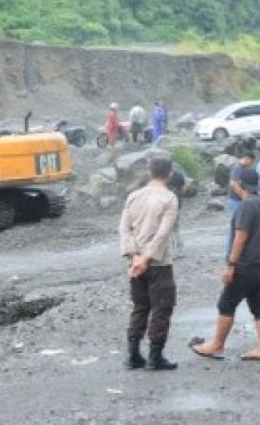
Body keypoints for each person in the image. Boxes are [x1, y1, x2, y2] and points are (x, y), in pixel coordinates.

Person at [192, 169, 260, 362]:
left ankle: (216, 345)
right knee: (259, 305)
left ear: (239, 184)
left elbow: (241, 236)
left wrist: (231, 265)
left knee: (226, 303)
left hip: (246, 264)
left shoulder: (246, 205)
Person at [119, 156, 180, 370]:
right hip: (159, 263)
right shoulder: (169, 198)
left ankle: (133, 355)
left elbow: (125, 230)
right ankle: (155, 356)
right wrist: (147, 258)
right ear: (170, 173)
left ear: (149, 173)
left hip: (135, 264)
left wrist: (135, 256)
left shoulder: (133, 196)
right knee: (161, 308)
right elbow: (163, 234)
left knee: (140, 307)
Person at [226, 151, 256, 253]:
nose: (251, 164)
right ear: (247, 158)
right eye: (251, 161)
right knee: (237, 226)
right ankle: (231, 251)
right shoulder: (237, 168)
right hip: (236, 201)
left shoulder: (240, 168)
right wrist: (245, 196)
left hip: (237, 200)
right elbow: (233, 184)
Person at [167, 166, 187, 257]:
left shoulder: (161, 175)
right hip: (176, 203)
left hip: (165, 205)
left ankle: (173, 252)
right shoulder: (179, 174)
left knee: (169, 229)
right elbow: (183, 189)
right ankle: (179, 250)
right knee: (175, 228)